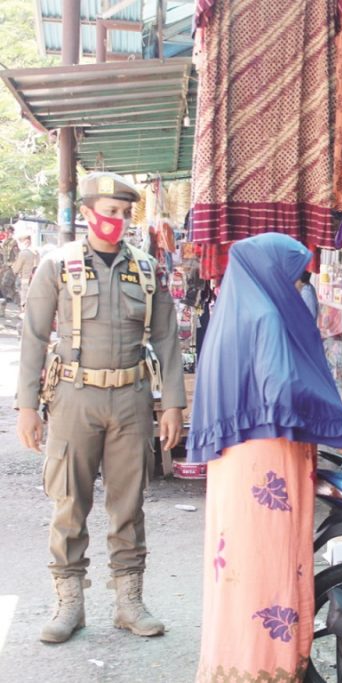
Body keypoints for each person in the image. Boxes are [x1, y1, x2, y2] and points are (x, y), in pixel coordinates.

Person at [187, 233, 342, 683]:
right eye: (295, 275)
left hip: (232, 461)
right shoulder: (267, 316)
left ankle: (233, 662)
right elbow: (282, 390)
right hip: (269, 458)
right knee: (270, 558)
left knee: (237, 560)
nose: (299, 284)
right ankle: (269, 665)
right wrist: (336, 418)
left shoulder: (230, 315)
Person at [16, 172, 187, 644]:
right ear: (88, 213)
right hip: (74, 397)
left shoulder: (147, 270)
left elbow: (167, 339)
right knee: (69, 502)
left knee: (129, 504)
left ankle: (129, 602)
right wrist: (26, 406)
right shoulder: (57, 265)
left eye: (125, 213)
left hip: (131, 398)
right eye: (110, 212)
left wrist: (173, 404)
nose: (118, 221)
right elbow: (33, 336)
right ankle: (69, 604)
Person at [11, 225, 39, 311]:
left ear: (26, 241)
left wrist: (13, 266)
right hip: (35, 278)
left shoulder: (24, 253)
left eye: (21, 241)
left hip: (25, 278)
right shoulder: (36, 252)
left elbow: (16, 268)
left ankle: (24, 313)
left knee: (24, 298)